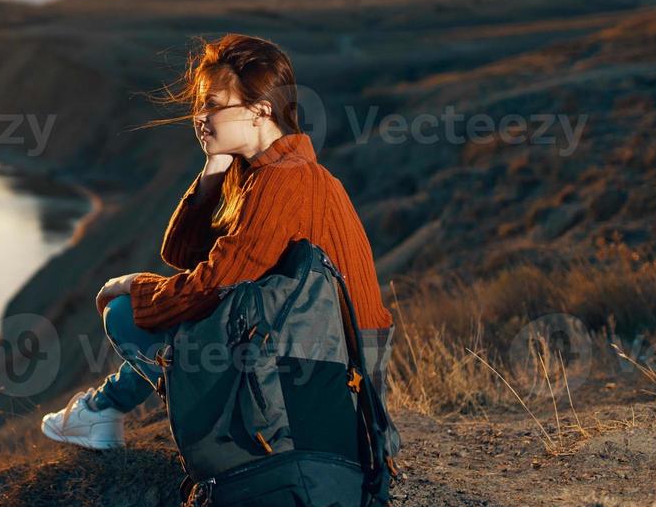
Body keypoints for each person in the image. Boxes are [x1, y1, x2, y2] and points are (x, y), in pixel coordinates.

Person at [40, 33, 394, 450]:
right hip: (324, 373)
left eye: (212, 104)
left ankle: (104, 412)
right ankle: (102, 410)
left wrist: (134, 288)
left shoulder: (286, 181)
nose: (199, 116)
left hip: (324, 385)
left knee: (125, 314)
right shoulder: (272, 172)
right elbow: (184, 256)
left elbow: (211, 286)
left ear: (261, 110)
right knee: (189, 316)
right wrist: (214, 170)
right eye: (198, 105)